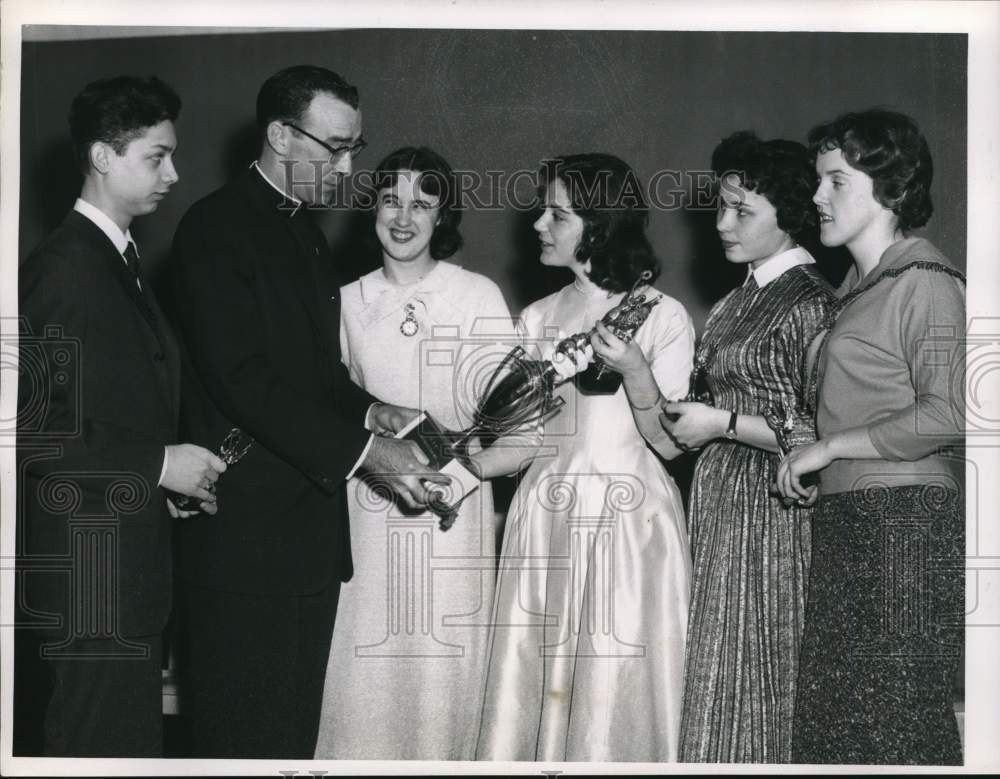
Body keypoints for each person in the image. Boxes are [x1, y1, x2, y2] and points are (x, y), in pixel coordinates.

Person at [170, 66, 446, 758]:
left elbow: (315, 375)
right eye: (335, 147)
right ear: (279, 136)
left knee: (289, 743)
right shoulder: (214, 227)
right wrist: (367, 452)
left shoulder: (307, 233)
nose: (349, 167)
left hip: (305, 548)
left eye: (355, 147)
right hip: (243, 547)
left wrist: (374, 408)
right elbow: (243, 379)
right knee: (239, 745)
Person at [314, 146, 553, 760]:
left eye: (422, 204)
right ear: (372, 207)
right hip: (366, 511)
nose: (404, 217)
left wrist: (455, 474)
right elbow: (327, 411)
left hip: (452, 509)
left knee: (441, 668)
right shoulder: (342, 300)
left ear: (442, 216)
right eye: (392, 199)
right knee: (367, 662)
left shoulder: (474, 294)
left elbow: (514, 414)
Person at [15, 75, 224, 757]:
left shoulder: (116, 260)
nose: (174, 172)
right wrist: (162, 463)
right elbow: (38, 432)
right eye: (155, 156)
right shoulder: (66, 268)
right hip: (91, 581)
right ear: (103, 157)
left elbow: (111, 410)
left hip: (119, 565)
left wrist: (155, 486)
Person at [475, 153, 695, 762]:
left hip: (628, 523)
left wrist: (633, 369)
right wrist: (460, 470)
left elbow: (670, 441)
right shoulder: (539, 317)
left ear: (599, 224)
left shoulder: (660, 313)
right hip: (545, 516)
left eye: (558, 213)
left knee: (614, 687)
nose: (539, 224)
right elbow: (523, 442)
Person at [776, 109, 965, 765]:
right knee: (838, 725)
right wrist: (811, 450)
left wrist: (830, 448)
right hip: (849, 518)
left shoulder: (926, 280)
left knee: (899, 719)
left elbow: (951, 412)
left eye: (835, 181)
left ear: (888, 187)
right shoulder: (853, 292)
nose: (817, 196)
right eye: (816, 180)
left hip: (904, 522)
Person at [657, 132, 837, 763]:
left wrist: (722, 423)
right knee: (720, 665)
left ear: (787, 216)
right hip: (725, 503)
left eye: (743, 212)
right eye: (721, 207)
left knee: (762, 664)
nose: (722, 224)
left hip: (774, 511)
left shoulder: (811, 300)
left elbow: (817, 431)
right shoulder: (741, 297)